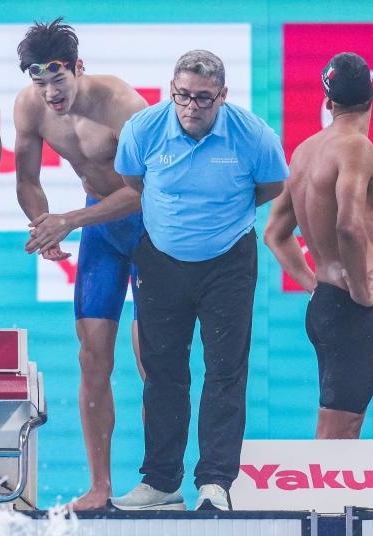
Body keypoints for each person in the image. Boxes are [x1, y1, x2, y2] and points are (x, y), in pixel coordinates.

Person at [111, 49, 288, 511]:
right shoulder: (142, 129)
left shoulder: (254, 136)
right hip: (160, 261)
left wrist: (220, 218)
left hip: (228, 263)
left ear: (222, 96)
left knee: (225, 371)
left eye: (204, 98)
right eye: (183, 95)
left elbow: (272, 187)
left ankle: (215, 483)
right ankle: (161, 483)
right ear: (172, 89)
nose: (191, 106)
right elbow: (133, 182)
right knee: (163, 373)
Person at [13, 18, 148, 511]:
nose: (51, 93)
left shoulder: (124, 106)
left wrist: (68, 220)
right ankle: (99, 487)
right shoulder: (30, 107)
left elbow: (143, 192)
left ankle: (160, 482)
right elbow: (27, 180)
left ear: (78, 68)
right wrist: (42, 224)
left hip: (149, 229)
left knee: (152, 361)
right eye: (41, 82)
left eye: (58, 79)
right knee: (92, 358)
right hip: (101, 232)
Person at [264, 52, 373, 439]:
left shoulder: (304, 151)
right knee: (338, 433)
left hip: (325, 305)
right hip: (350, 309)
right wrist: (361, 290)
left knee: (341, 430)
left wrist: (313, 285)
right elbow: (348, 225)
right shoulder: (356, 147)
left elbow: (274, 233)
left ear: (328, 102)